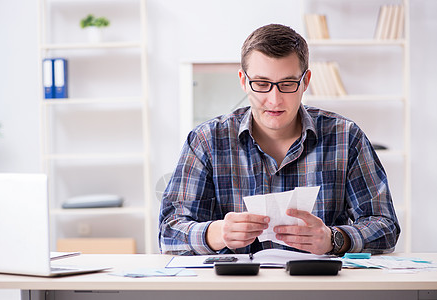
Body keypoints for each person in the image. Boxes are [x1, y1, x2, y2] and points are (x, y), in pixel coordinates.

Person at [159, 24, 400, 256]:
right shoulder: (206, 140)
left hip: (321, 288)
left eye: (287, 84)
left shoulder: (346, 137)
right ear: (243, 81)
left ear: (305, 82)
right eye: (262, 84)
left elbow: (385, 225)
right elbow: (169, 231)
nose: (274, 100)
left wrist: (333, 238)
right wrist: (216, 233)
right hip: (233, 289)